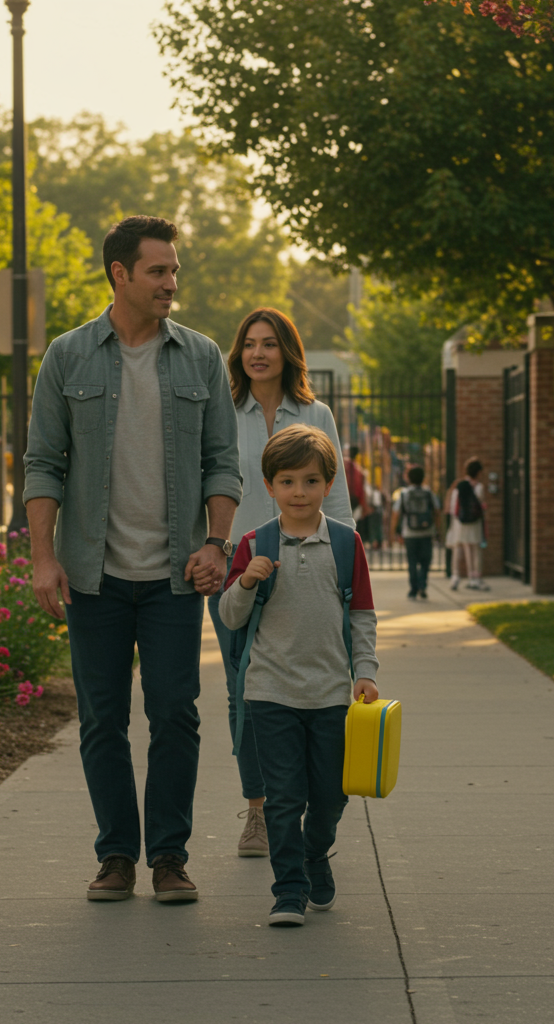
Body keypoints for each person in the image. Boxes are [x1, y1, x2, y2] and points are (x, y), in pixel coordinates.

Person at [25, 216, 242, 903]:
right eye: (159, 271)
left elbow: (223, 463)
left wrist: (216, 544)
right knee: (101, 720)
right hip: (94, 574)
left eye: (175, 271)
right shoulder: (67, 356)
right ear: (120, 274)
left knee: (177, 713)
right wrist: (42, 558)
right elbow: (42, 463)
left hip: (177, 575)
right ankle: (117, 854)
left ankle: (169, 857)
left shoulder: (202, 356)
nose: (172, 283)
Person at [219, 424, 379, 927]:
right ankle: (288, 889)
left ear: (328, 484)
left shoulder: (347, 545)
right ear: (269, 486)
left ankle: (315, 856)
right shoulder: (253, 543)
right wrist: (246, 581)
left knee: (331, 795)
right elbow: (229, 616)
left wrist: (366, 672)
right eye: (287, 482)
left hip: (331, 692)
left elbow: (363, 616)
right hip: (271, 692)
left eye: (311, 481)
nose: (299, 492)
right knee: (284, 797)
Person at [211, 306, 353, 858]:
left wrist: (344, 561)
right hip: (237, 566)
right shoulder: (221, 412)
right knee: (243, 691)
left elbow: (335, 497)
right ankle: (260, 812)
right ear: (239, 352)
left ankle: (306, 805)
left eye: (269, 343)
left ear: (286, 351)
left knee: (311, 687)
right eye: (249, 343)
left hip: (307, 567)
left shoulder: (316, 414)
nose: (258, 353)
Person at [391, 464, 440, 600]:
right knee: (425, 561)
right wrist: (438, 530)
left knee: (412, 562)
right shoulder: (429, 493)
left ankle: (413, 589)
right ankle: (422, 585)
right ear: (423, 478)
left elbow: (396, 514)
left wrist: (394, 532)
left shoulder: (404, 494)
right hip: (427, 532)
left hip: (410, 533)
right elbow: (436, 512)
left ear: (409, 479)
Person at [446, 456, 489, 591]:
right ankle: (474, 577)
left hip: (460, 522)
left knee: (458, 549)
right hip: (474, 522)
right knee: (475, 549)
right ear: (478, 472)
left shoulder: (459, 485)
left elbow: (454, 506)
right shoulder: (479, 487)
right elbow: (481, 505)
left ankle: (455, 576)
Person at [343, 445, 369, 523]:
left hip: (345, 499)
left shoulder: (344, 466)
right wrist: (364, 506)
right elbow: (361, 491)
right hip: (354, 500)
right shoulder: (359, 471)